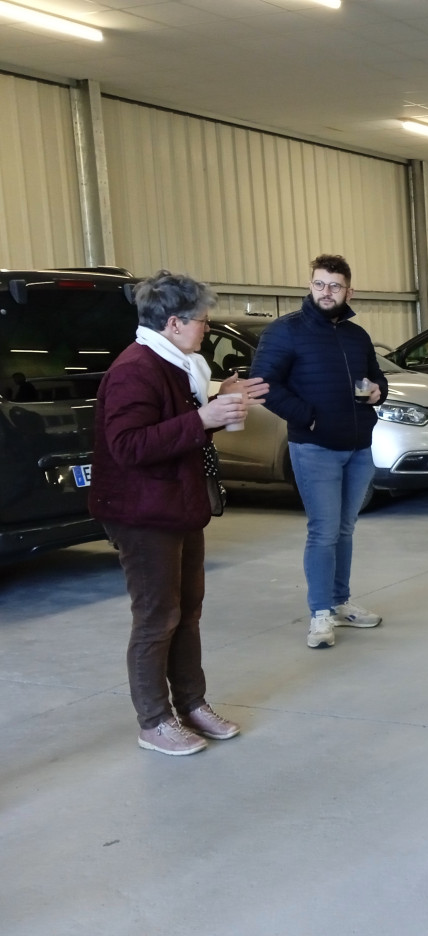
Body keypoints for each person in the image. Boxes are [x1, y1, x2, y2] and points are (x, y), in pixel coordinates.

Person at [90, 270, 268, 756]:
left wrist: (216, 399)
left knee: (187, 611)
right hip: (142, 512)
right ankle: (154, 721)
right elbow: (127, 445)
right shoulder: (135, 370)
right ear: (173, 322)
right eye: (203, 322)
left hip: (177, 504)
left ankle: (191, 704)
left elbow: (174, 427)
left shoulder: (178, 365)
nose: (206, 330)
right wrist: (203, 417)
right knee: (157, 616)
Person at [251, 254, 388, 649]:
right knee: (323, 531)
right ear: (310, 286)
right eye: (320, 284)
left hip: (359, 446)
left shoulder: (356, 335)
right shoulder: (286, 332)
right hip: (315, 448)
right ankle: (320, 613)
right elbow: (263, 384)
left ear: (349, 290)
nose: (327, 292)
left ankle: (341, 601)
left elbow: (375, 375)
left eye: (335, 286)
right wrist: (307, 418)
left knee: (345, 529)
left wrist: (381, 390)